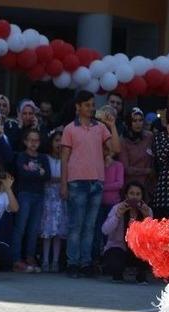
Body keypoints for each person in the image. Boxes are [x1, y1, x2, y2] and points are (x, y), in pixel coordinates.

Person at [60, 90, 120, 278]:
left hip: (96, 182)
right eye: (87, 105)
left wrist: (112, 125)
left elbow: (116, 149)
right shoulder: (70, 128)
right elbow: (64, 158)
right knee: (76, 225)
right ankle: (72, 263)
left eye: (92, 104)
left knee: (90, 225)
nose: (91, 108)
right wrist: (63, 184)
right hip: (76, 182)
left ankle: (85, 263)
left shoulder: (100, 128)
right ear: (78, 107)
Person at [11, 129, 50, 273]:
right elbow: (22, 173)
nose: (34, 143)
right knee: (20, 227)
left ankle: (30, 257)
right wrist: (37, 173)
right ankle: (16, 258)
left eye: (36, 140)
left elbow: (47, 176)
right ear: (25, 142)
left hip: (39, 195)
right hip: (24, 194)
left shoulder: (43, 158)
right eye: (31, 140)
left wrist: (31, 172)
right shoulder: (21, 156)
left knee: (34, 229)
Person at [101, 181, 153, 284]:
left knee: (148, 251)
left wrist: (147, 218)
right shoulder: (117, 208)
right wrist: (117, 216)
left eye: (138, 194)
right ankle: (117, 273)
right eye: (131, 193)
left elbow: (152, 237)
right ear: (126, 195)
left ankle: (141, 275)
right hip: (119, 248)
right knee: (114, 261)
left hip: (138, 248)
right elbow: (105, 230)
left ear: (142, 196)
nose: (134, 197)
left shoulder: (147, 210)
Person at [41, 129, 67, 273]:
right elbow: (46, 176)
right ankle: (45, 260)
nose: (59, 144)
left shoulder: (67, 159)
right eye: (57, 140)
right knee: (47, 229)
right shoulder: (46, 158)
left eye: (62, 141)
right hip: (48, 197)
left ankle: (55, 261)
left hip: (60, 198)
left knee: (58, 230)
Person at [94, 146, 125, 266]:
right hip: (99, 202)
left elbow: (119, 184)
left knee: (111, 233)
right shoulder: (98, 165)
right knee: (98, 231)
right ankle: (96, 258)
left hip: (113, 203)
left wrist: (103, 187)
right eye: (105, 149)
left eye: (110, 149)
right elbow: (97, 180)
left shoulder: (118, 165)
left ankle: (108, 258)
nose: (108, 152)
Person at [118, 108, 155, 197]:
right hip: (131, 187)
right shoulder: (123, 141)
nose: (138, 123)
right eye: (134, 121)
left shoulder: (149, 137)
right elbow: (126, 169)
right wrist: (148, 171)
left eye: (140, 120)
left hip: (148, 185)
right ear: (129, 122)